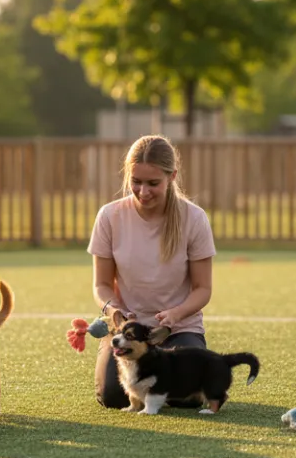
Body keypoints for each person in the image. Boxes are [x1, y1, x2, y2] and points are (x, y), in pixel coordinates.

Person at [87, 134, 217, 409]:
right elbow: (101, 285)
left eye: (153, 183)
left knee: (186, 398)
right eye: (136, 182)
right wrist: (113, 311)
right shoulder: (109, 216)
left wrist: (175, 314)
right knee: (113, 396)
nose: (143, 191)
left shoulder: (194, 218)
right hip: (129, 333)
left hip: (178, 330)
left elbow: (202, 289)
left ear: (172, 177)